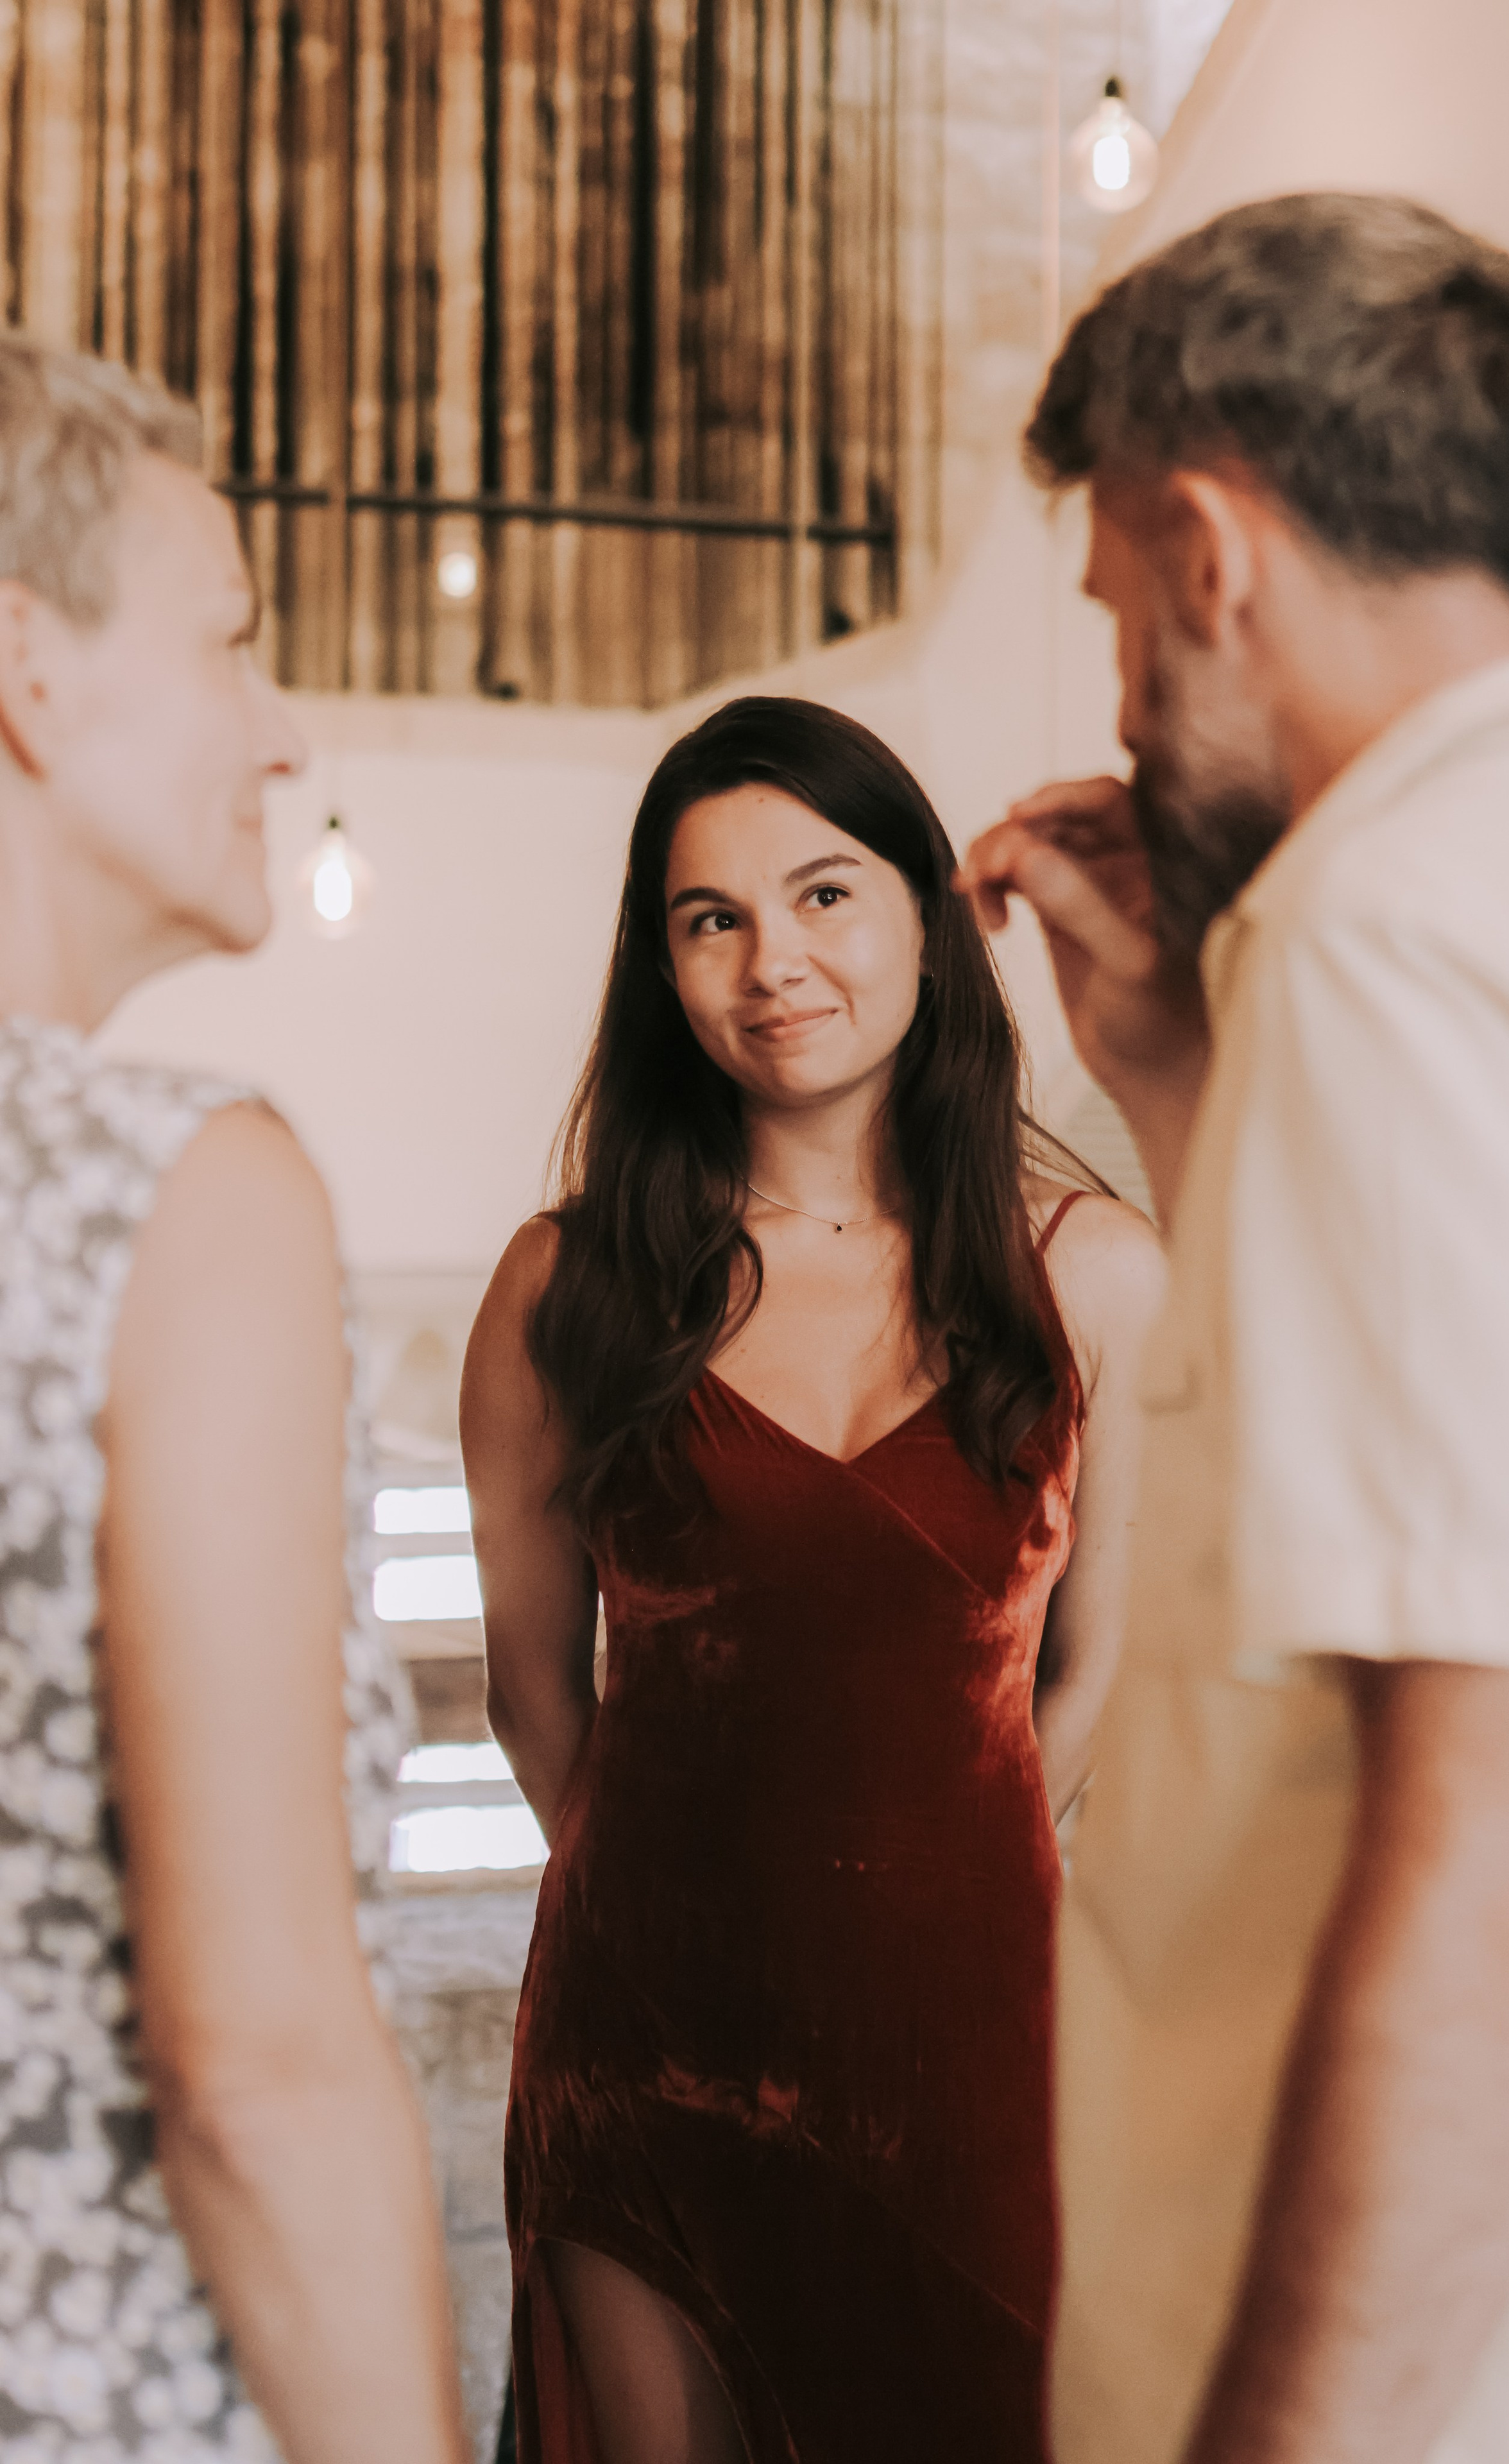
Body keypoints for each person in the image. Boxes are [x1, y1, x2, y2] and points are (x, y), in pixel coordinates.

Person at [959, 193, 1509, 2464]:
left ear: (1214, 553)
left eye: (1126, 625)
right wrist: (1174, 1074)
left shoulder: (1387, 940)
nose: (1129, 711)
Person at [461, 696, 1166, 2464]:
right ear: (664, 966)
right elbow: (534, 1691)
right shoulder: (564, 1288)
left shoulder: (1096, 1277)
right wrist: (695, 1913)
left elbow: (1094, 1676)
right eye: (713, 920)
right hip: (647, 2049)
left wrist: (918, 1886)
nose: (773, 961)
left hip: (973, 2044)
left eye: (825, 895)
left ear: (928, 914)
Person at [0, 338, 468, 2462]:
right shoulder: (175, 1197)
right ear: (28, 666)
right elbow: (258, 2067)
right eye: (232, 642)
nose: (282, 732)